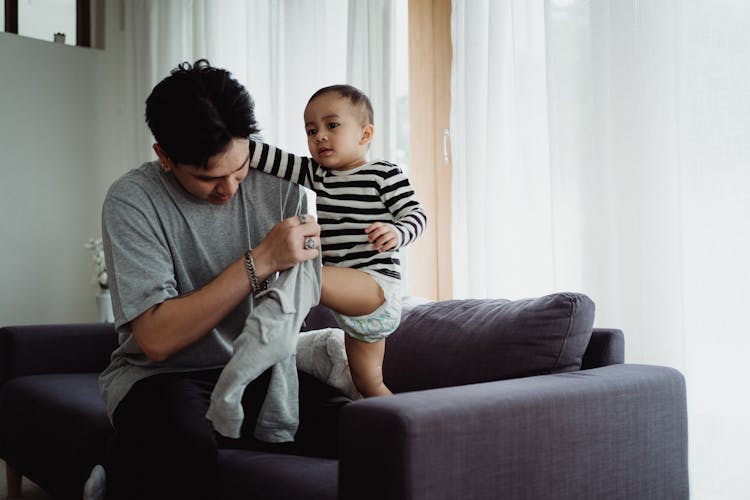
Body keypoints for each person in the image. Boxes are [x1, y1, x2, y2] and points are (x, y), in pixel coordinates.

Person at [85, 60, 345, 500]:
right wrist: (259, 259)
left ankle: (126, 464)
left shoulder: (283, 180)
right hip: (160, 377)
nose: (230, 189)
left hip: (253, 367)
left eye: (240, 168)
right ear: (164, 157)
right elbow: (157, 339)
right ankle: (125, 469)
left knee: (356, 429)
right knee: (186, 445)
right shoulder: (132, 201)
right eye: (208, 177)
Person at [247, 84, 427, 398]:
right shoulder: (318, 174)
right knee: (367, 384)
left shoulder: (383, 174)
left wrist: (398, 232)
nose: (320, 136)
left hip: (374, 288)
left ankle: (272, 330)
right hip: (354, 312)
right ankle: (406, 430)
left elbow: (416, 214)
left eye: (332, 125)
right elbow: (271, 159)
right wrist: (232, 141)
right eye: (311, 130)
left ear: (365, 133)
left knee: (303, 274)